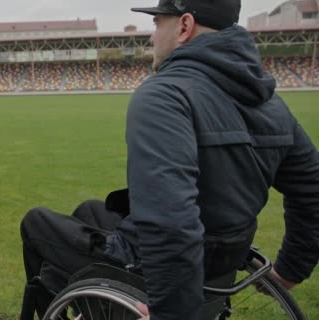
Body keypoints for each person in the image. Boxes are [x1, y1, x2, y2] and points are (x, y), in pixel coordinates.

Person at [19, 0, 319, 319]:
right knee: (91, 212)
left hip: (159, 264)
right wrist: (290, 270)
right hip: (225, 257)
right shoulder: (272, 105)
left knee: (36, 222)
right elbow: (313, 188)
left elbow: (170, 221)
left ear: (184, 26)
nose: (152, 37)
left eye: (157, 23)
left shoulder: (165, 96)